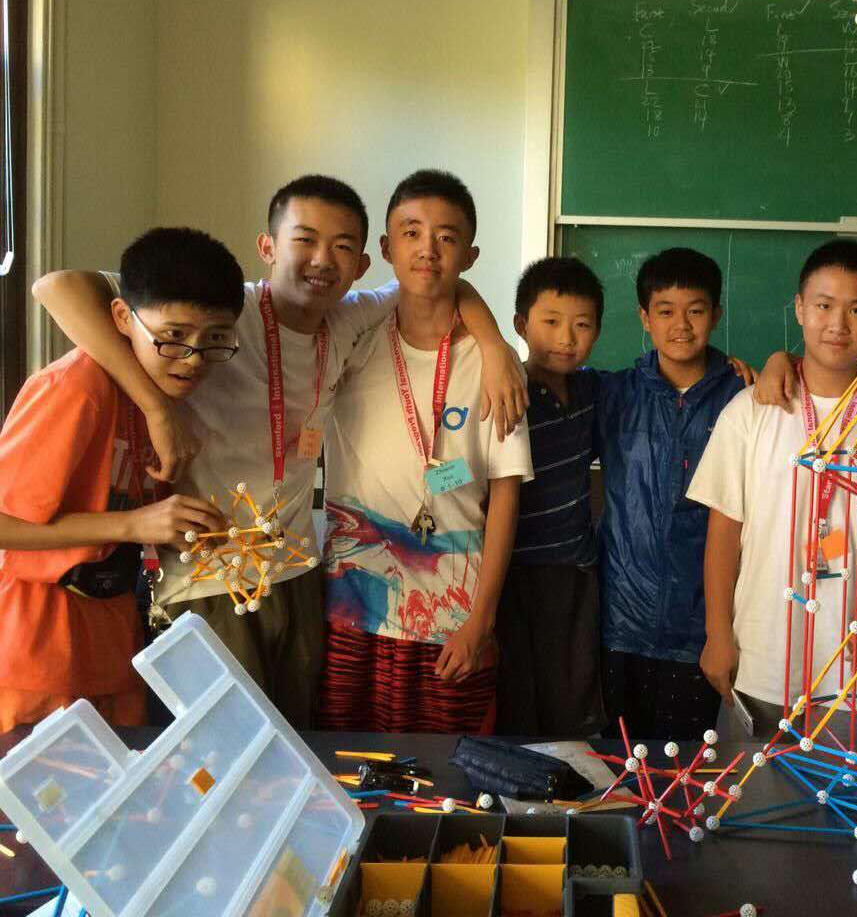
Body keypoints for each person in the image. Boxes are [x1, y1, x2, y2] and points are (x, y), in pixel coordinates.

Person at [30, 175, 525, 728]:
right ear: (267, 246)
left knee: (296, 742)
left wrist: (494, 345)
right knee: (225, 746)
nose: (322, 260)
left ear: (364, 263)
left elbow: (436, 280)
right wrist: (156, 408)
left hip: (296, 575)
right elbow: (55, 286)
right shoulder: (219, 313)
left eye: (342, 246)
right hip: (209, 580)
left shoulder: (349, 317)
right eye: (304, 240)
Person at [0, 228, 242, 732]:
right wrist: (134, 524)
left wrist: (174, 529)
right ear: (121, 317)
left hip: (112, 638)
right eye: (173, 335)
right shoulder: (76, 387)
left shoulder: (165, 399)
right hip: (35, 644)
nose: (193, 358)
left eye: (215, 339)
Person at [319, 170, 532, 734]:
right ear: (386, 247)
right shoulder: (350, 340)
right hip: (355, 602)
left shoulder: (493, 365)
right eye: (411, 233)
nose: (428, 250)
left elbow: (505, 495)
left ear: (470, 255)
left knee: (449, 762)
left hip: (454, 610)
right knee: (349, 757)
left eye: (447, 236)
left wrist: (482, 619)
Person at [689, 239, 857, 735]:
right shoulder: (751, 410)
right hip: (762, 653)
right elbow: (724, 532)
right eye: (823, 305)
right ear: (799, 308)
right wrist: (717, 634)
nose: (838, 324)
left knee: (851, 784)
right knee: (750, 782)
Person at [594, 247, 750, 741]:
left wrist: (779, 362)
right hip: (621, 625)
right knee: (621, 765)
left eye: (695, 310)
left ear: (716, 314)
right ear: (644, 317)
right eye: (665, 311)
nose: (681, 325)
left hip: (703, 630)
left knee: (690, 767)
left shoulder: (744, 399)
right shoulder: (614, 395)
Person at [496, 256, 607, 736]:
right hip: (511, 574)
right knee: (516, 700)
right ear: (521, 325)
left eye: (582, 325)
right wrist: (431, 481)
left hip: (574, 574)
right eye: (551, 322)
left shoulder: (592, 391)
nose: (566, 338)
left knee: (572, 701)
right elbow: (457, 468)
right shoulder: (503, 391)